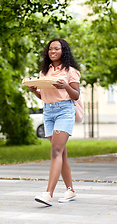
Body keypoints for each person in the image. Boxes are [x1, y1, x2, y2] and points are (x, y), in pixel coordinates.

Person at [28, 38, 80, 206]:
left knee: (55, 151)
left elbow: (76, 95)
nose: (52, 52)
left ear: (63, 51)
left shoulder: (70, 71)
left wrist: (65, 86)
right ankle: (70, 190)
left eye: (56, 49)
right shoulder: (45, 72)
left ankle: (48, 193)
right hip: (48, 112)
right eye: (50, 49)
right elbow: (45, 96)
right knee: (61, 153)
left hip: (65, 111)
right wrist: (35, 91)